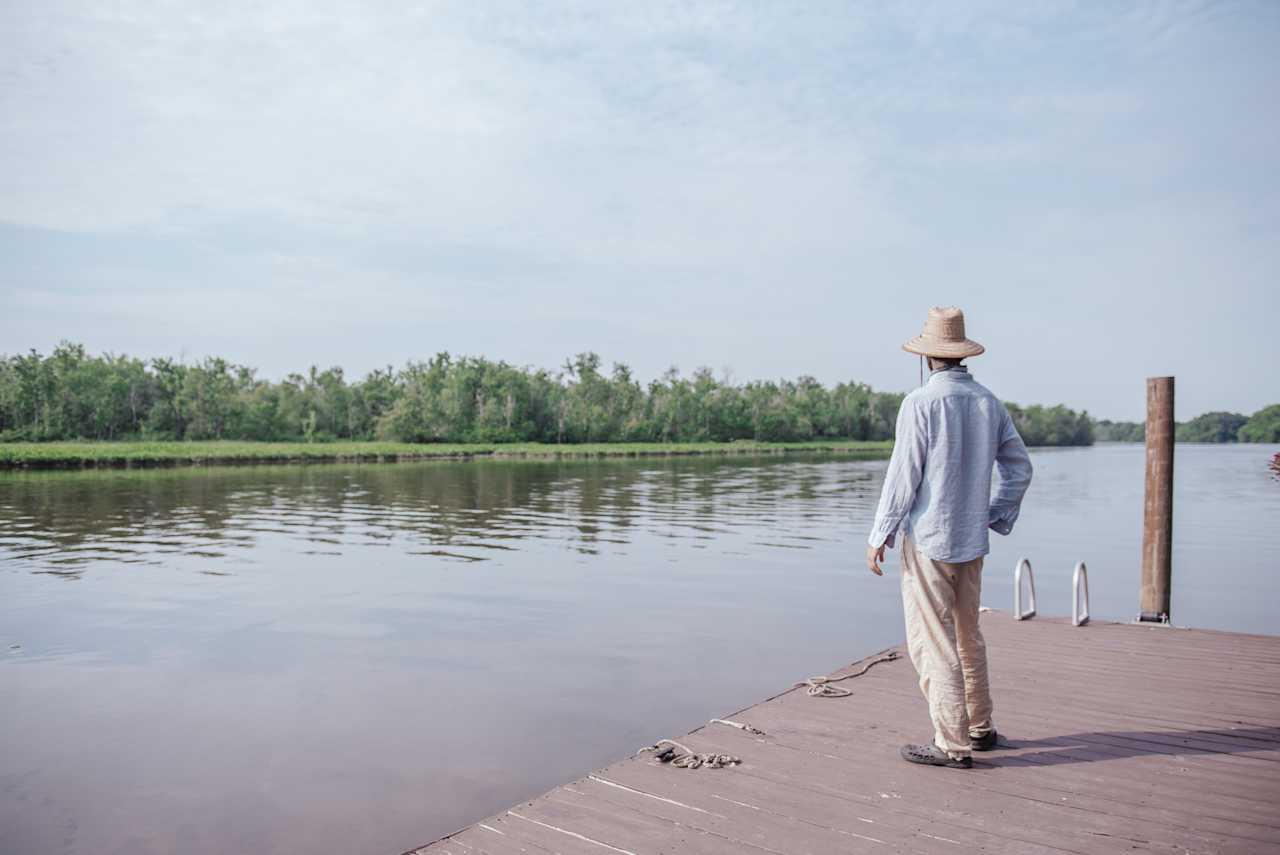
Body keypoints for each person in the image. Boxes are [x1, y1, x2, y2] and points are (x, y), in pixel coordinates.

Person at [865, 306, 1033, 769]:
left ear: (927, 357)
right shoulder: (988, 402)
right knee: (968, 634)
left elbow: (903, 477)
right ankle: (980, 728)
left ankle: (951, 744)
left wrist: (880, 533)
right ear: (960, 356)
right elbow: (1020, 469)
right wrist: (993, 514)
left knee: (932, 640)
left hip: (930, 541)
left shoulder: (920, 402)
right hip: (971, 540)